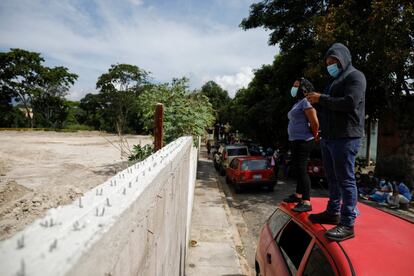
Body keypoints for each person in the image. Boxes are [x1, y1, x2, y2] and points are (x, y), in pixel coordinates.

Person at [306, 43, 366, 241]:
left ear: (343, 58)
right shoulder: (332, 83)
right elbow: (327, 109)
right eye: (328, 62)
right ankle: (333, 212)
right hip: (329, 137)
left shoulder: (355, 76)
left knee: (345, 179)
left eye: (334, 60)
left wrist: (321, 99)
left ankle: (348, 223)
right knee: (331, 178)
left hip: (346, 137)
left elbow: (350, 103)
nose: (330, 64)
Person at [283, 77, 319, 212]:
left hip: (304, 141)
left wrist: (315, 135)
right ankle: (298, 195)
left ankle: (306, 201)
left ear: (303, 89)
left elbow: (314, 121)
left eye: (296, 85)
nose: (293, 88)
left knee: (302, 169)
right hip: (295, 140)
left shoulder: (305, 102)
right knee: (297, 169)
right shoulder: (297, 103)